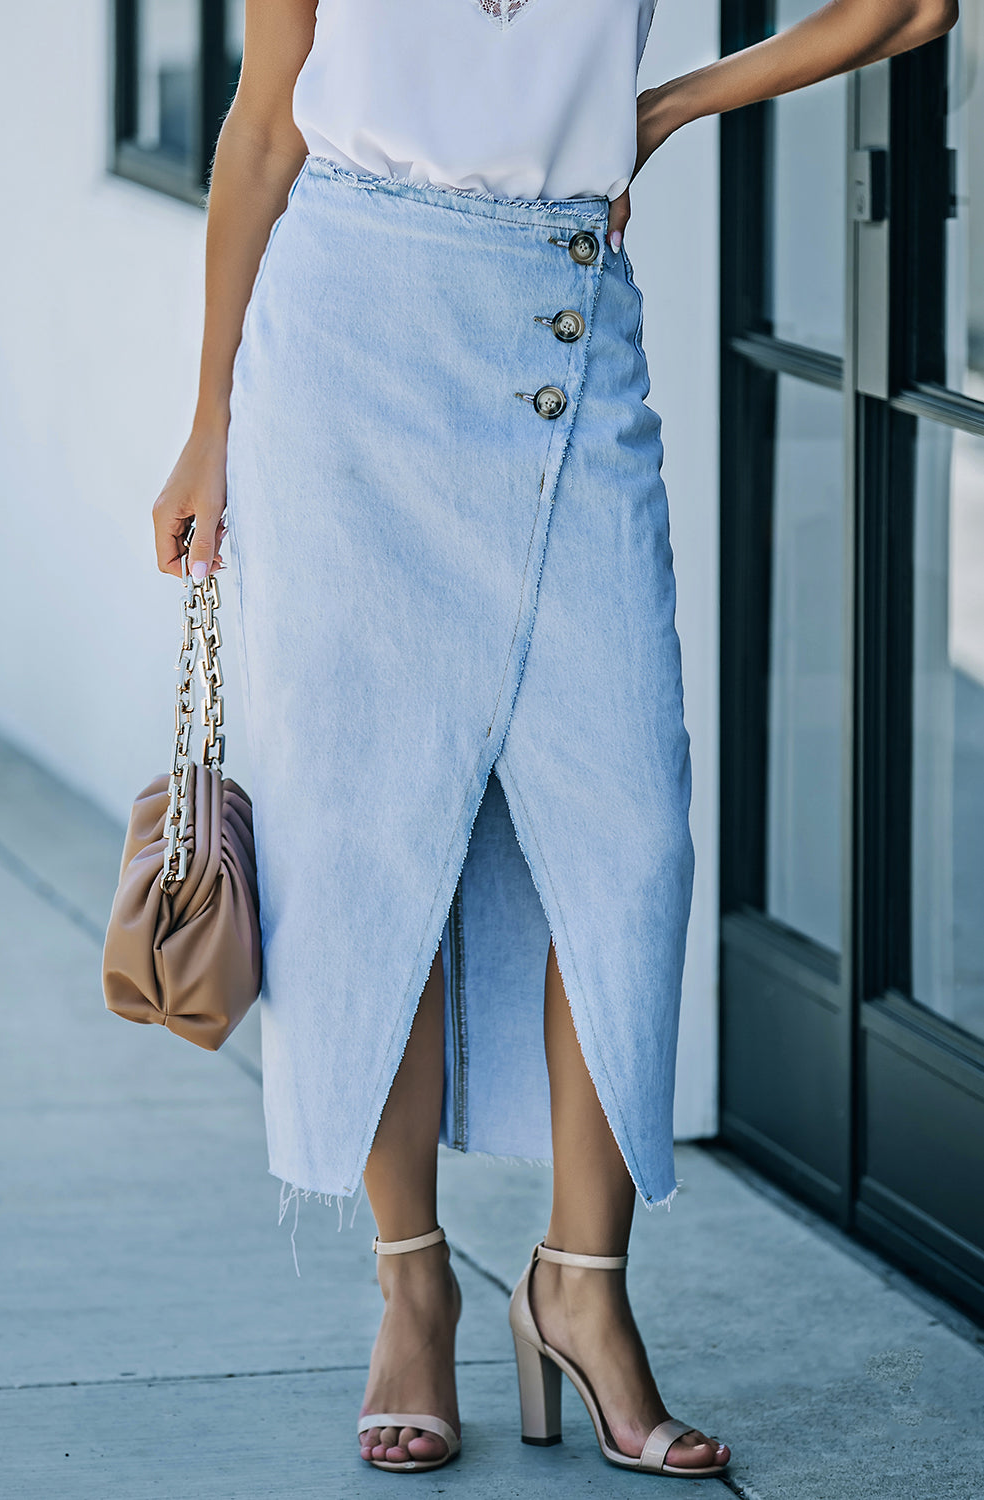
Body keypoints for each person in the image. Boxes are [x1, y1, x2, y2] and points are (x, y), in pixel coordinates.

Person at [152, 0, 958, 1478]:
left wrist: (671, 103)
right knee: (360, 839)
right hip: (338, 359)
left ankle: (579, 1290)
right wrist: (206, 419)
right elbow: (265, 125)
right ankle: (411, 1278)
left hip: (559, 330)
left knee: (628, 833)